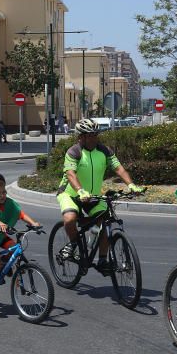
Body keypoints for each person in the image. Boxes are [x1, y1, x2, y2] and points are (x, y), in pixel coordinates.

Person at [55, 118, 144, 275]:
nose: (93, 138)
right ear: (80, 137)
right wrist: (80, 191)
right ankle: (73, 244)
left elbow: (118, 168)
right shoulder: (74, 152)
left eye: (95, 134)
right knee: (69, 219)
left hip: (93, 196)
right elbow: (70, 173)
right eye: (89, 135)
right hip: (70, 193)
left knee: (104, 222)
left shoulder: (104, 151)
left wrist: (131, 185)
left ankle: (102, 259)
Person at [0, 173, 41, 299]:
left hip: (0, 235)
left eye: (4, 192)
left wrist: (33, 223)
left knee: (15, 248)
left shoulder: (9, 203)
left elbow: (20, 214)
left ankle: (3, 267)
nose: (2, 196)